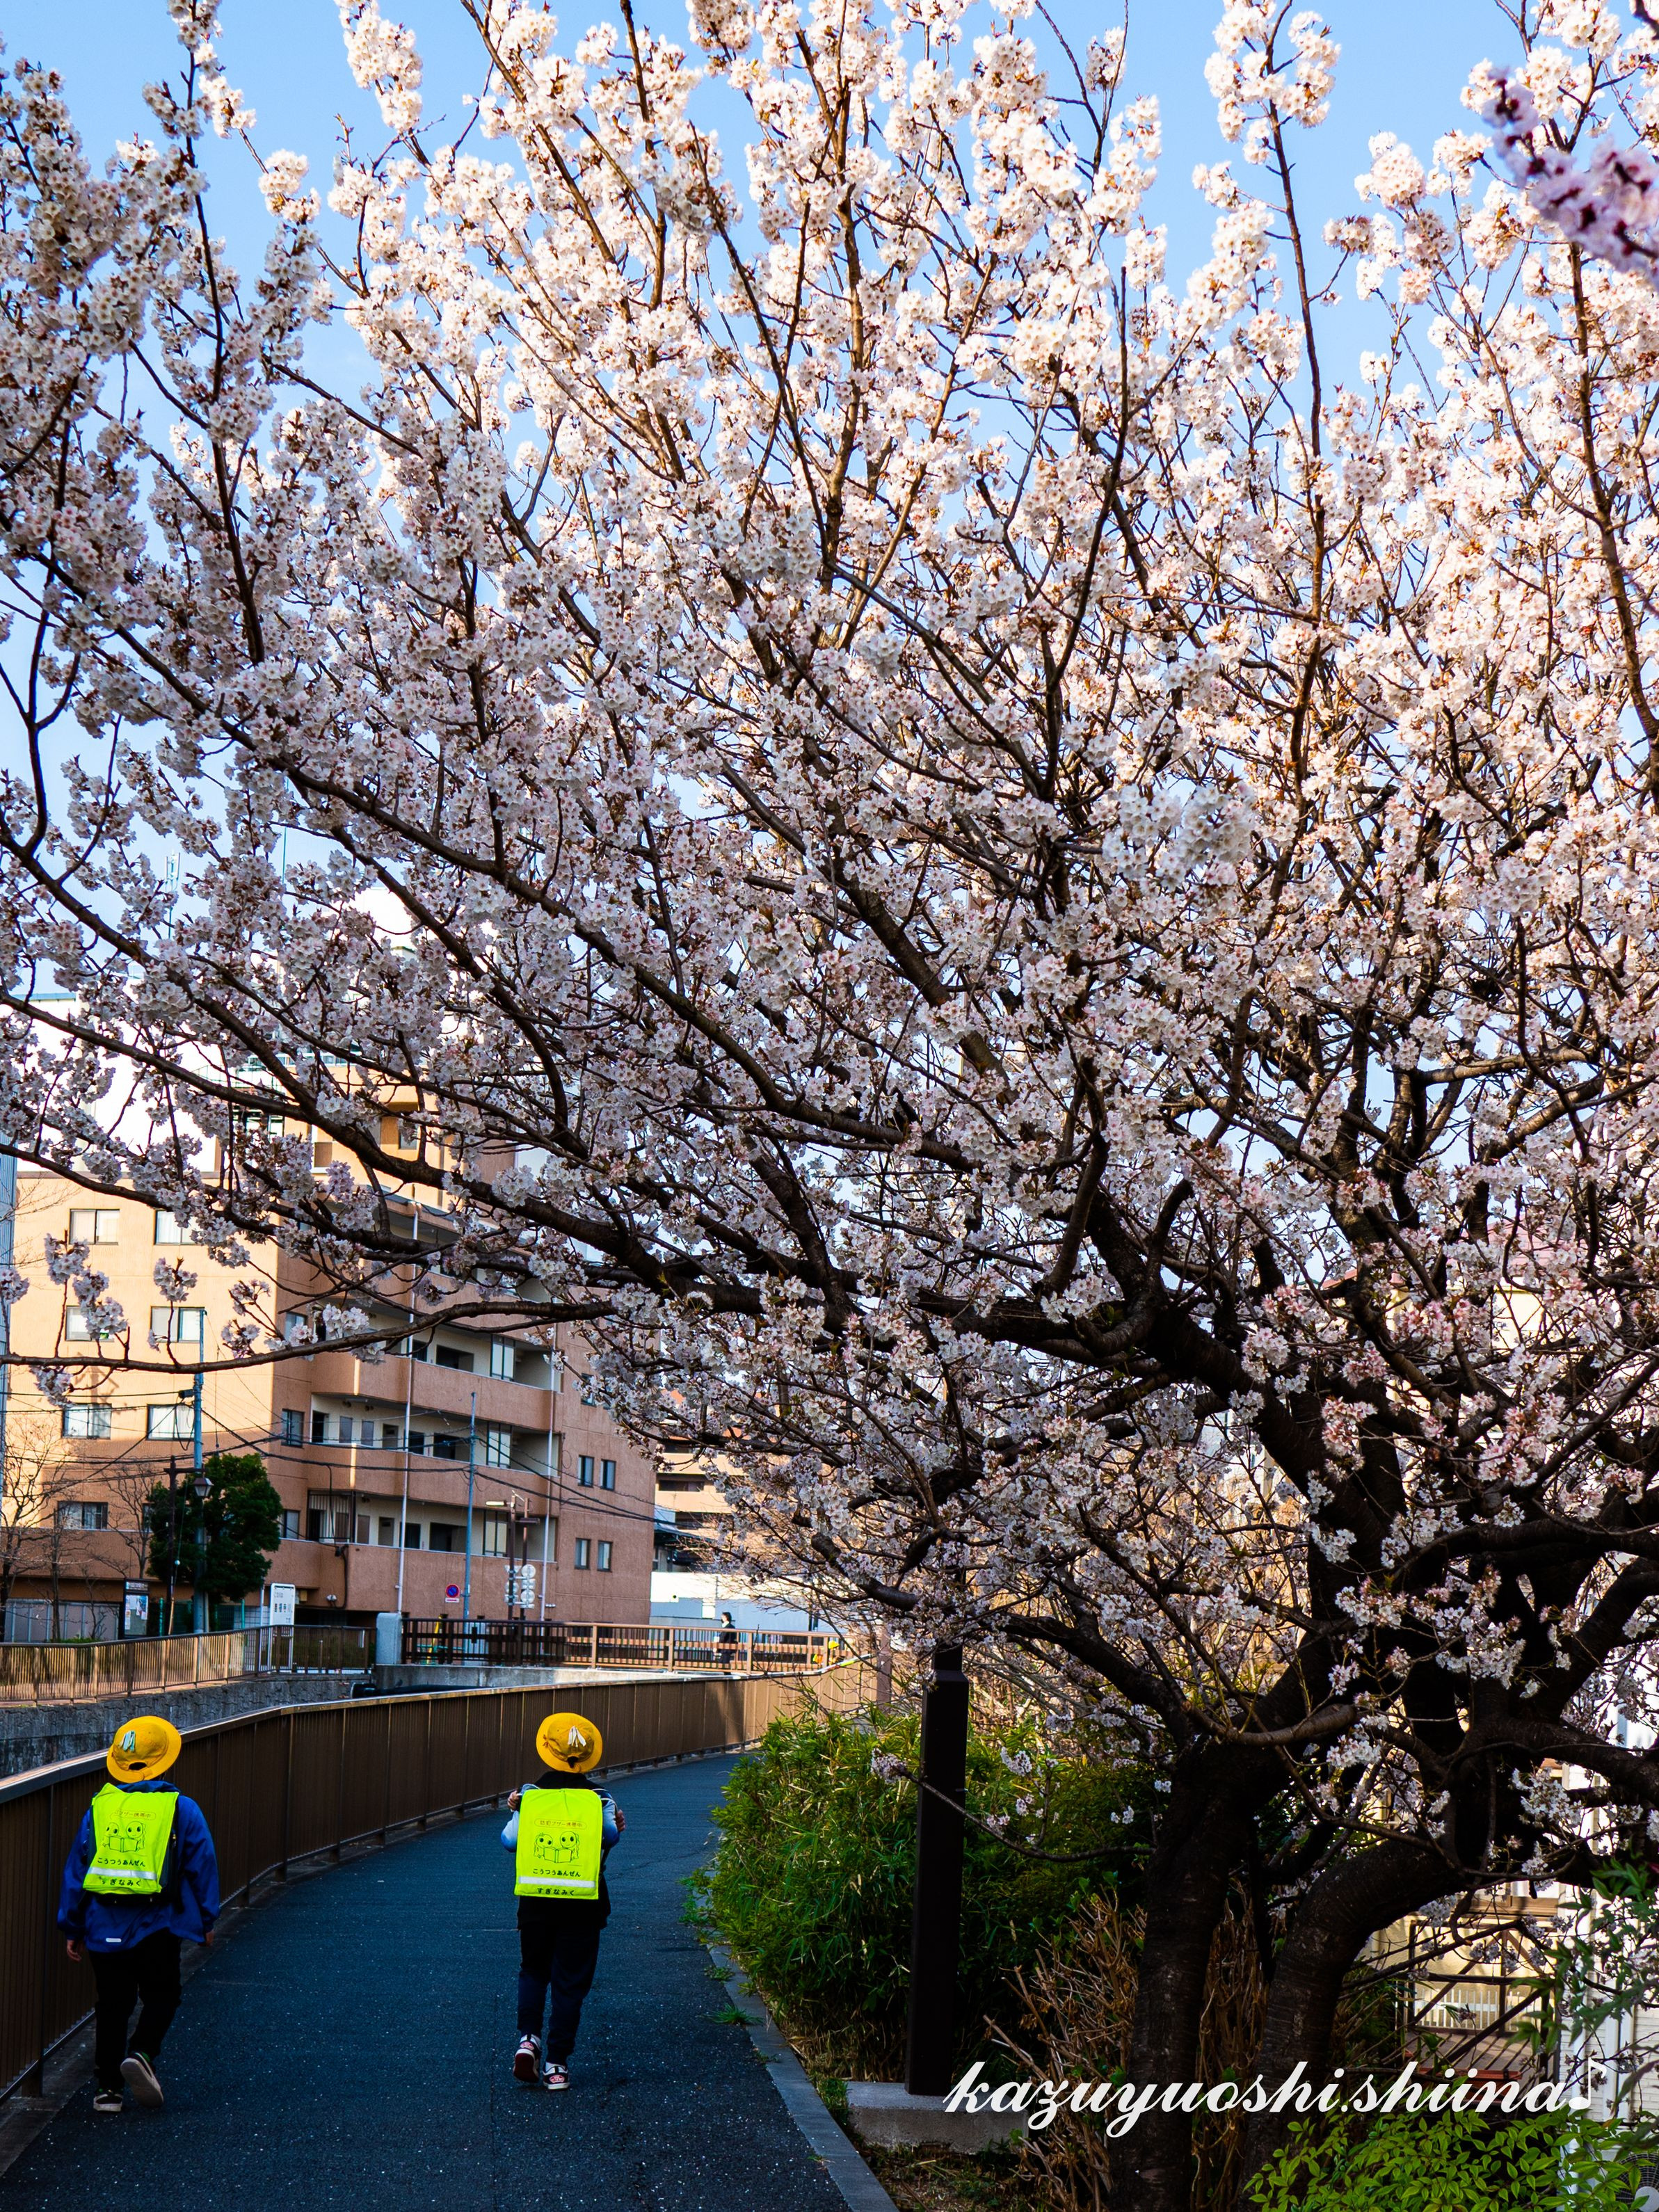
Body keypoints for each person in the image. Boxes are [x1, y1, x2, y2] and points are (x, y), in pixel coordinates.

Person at [58, 1715, 220, 2115]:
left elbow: (78, 1871)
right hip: (157, 1923)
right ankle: (142, 2053)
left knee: (112, 2004)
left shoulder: (99, 1807)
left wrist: (73, 1926)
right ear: (164, 1762)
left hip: (102, 1924)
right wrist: (207, 1920)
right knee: (163, 1994)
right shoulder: (181, 1808)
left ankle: (107, 2091)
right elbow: (202, 1865)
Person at [502, 1710, 625, 2092]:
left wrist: (517, 1809)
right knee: (570, 1983)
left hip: (536, 1900)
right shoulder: (600, 1798)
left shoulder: (530, 1796)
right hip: (583, 1903)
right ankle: (557, 2065)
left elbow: (509, 1841)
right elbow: (610, 1836)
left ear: (547, 1751)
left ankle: (528, 2040)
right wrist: (615, 1825)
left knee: (533, 1970)